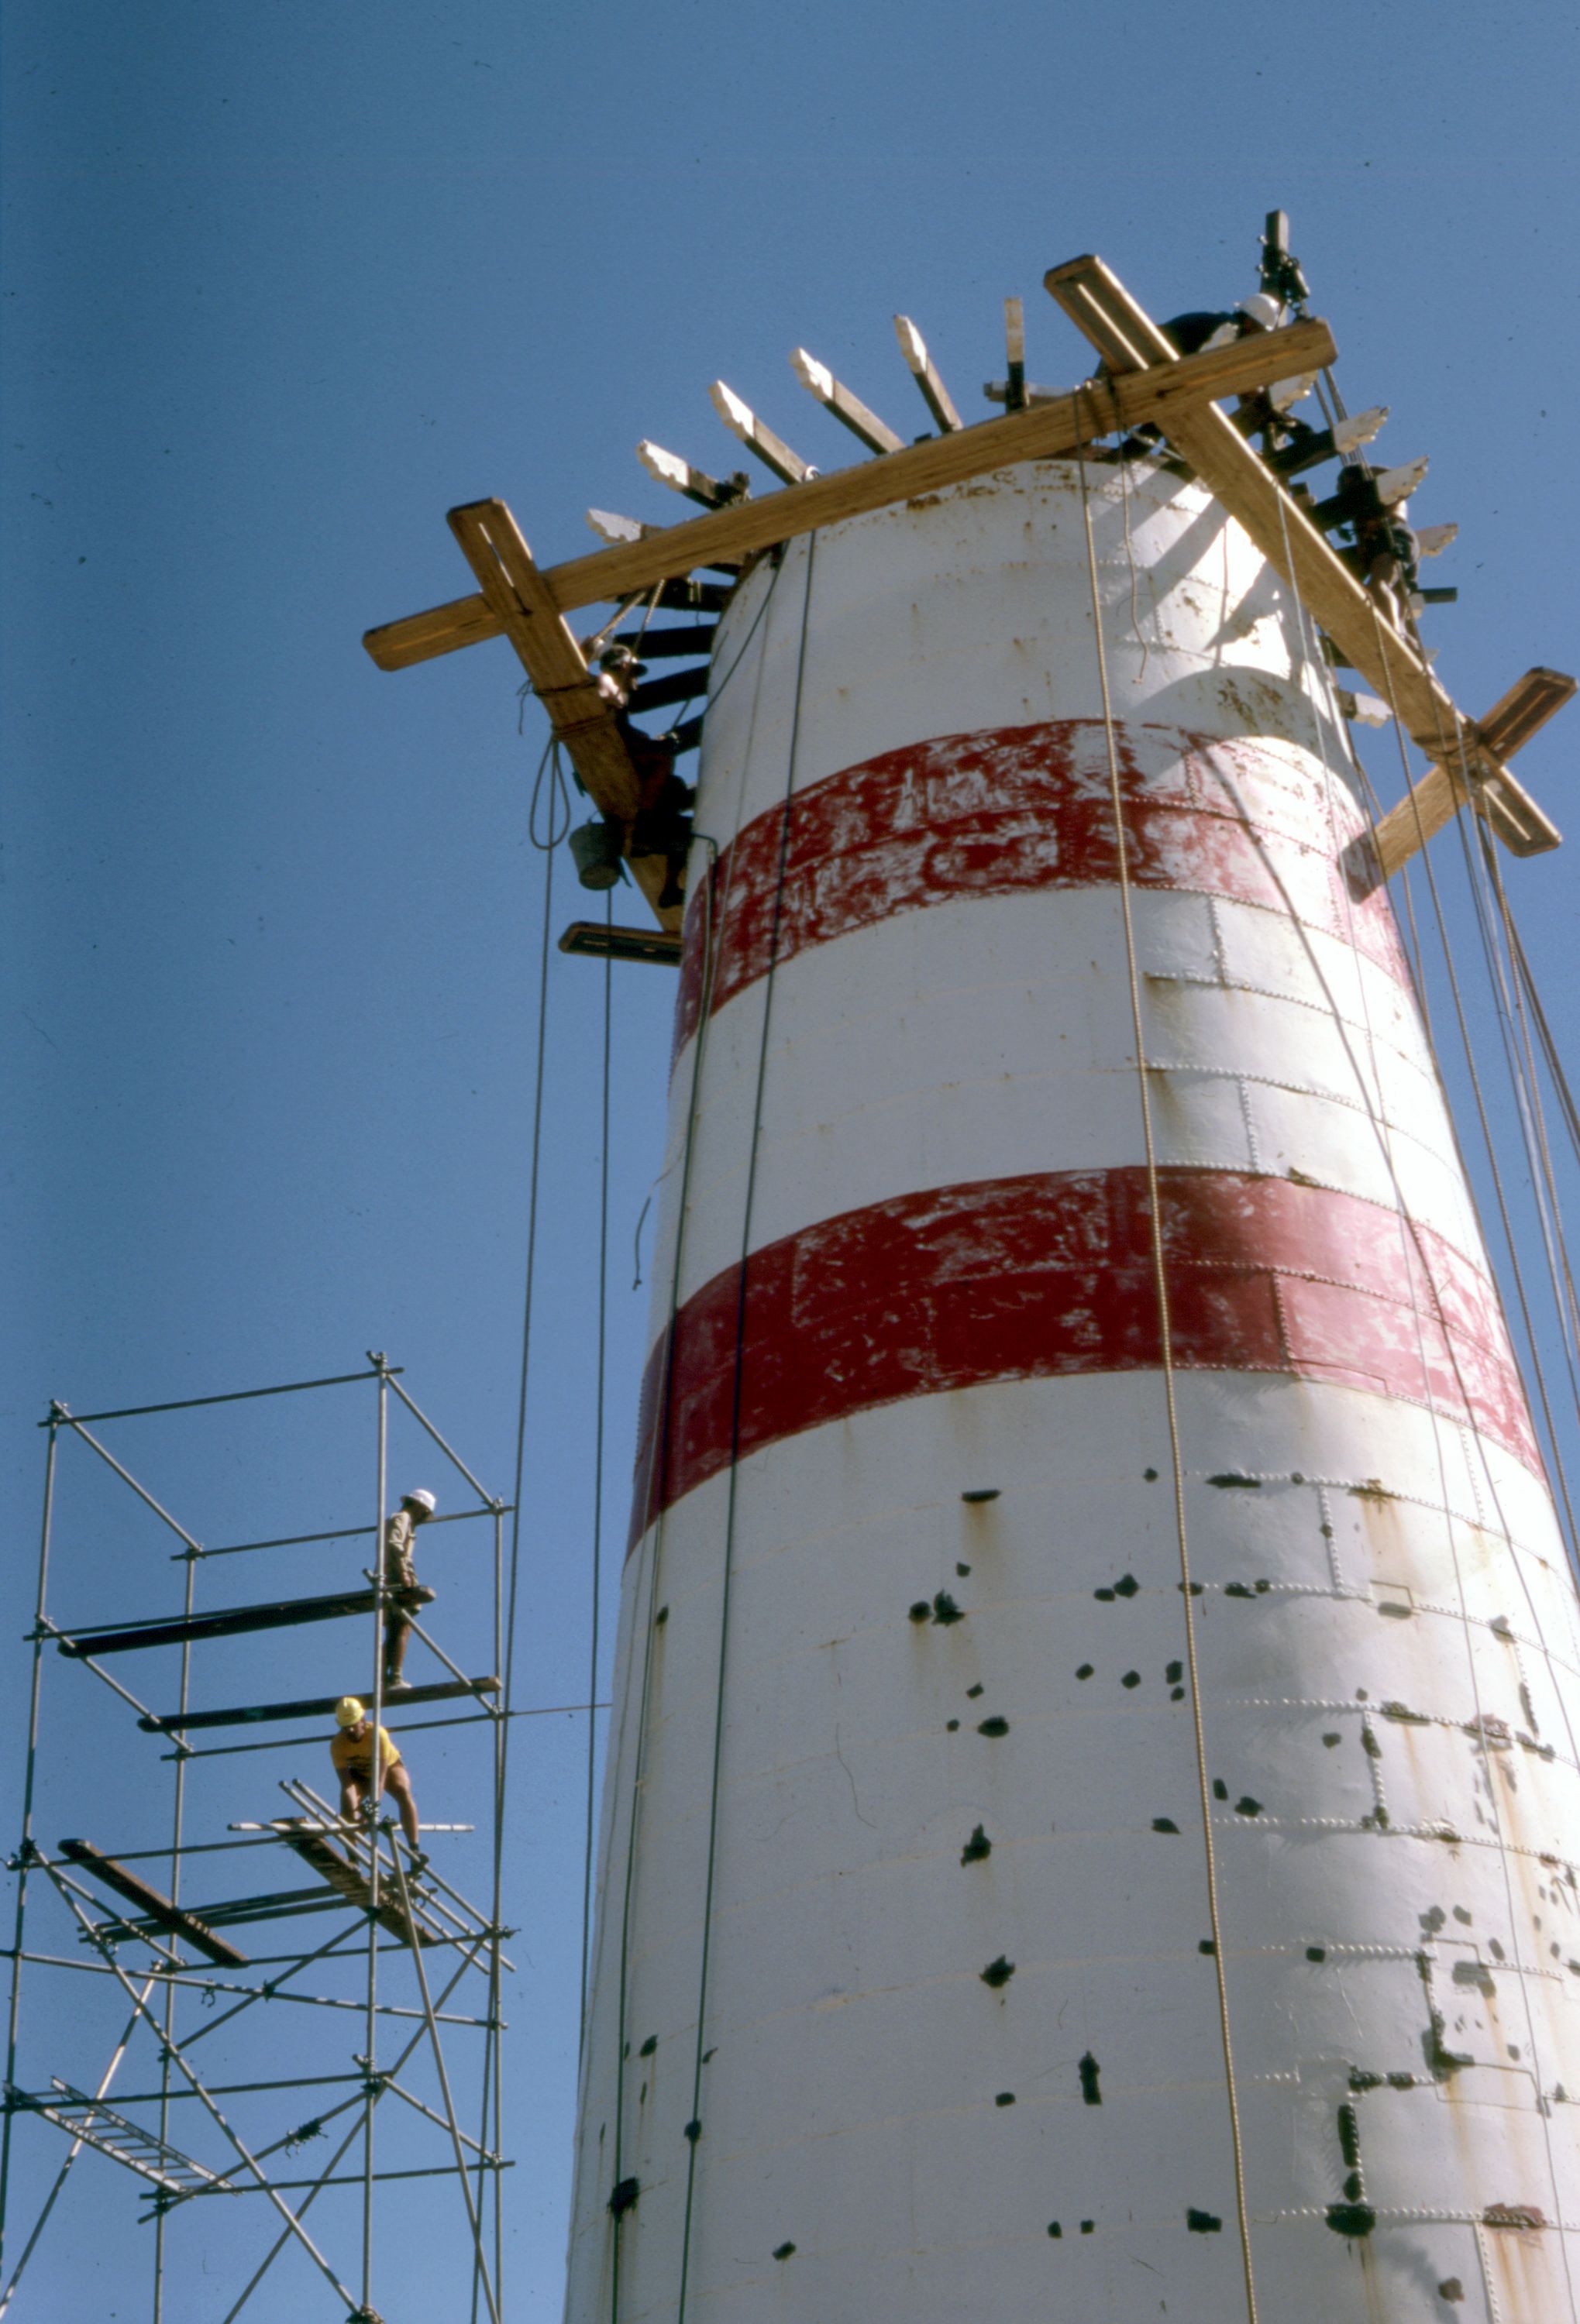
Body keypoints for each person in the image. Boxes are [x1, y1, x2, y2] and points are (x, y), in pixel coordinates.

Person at [331, 1696, 424, 1865]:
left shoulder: (378, 1734)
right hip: (361, 1774)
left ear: (362, 1720)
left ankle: (414, 1849)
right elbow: (347, 1785)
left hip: (388, 1768)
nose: (350, 1731)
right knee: (347, 1808)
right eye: (345, 1727)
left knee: (403, 1790)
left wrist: (373, 1807)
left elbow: (380, 1779)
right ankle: (353, 1857)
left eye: (353, 1725)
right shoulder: (337, 1745)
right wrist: (355, 1812)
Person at [381, 1487, 436, 1691]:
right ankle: (394, 1678)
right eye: (424, 1512)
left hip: (394, 1576)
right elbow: (394, 1545)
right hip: (395, 1577)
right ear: (418, 1506)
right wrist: (404, 1572)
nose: (424, 1517)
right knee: (402, 1628)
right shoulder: (402, 1518)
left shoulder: (406, 1523)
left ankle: (386, 1678)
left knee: (396, 1631)